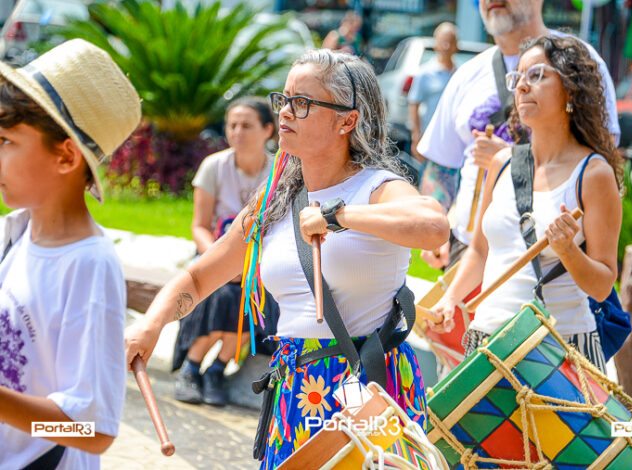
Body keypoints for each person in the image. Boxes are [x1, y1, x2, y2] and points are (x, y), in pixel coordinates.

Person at [124, 49, 449, 468]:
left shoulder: (378, 187)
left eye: (303, 103)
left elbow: (432, 225)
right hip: (296, 388)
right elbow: (200, 277)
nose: (285, 112)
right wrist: (150, 325)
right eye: (284, 99)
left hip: (369, 386)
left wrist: (337, 216)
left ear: (347, 120)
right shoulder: (274, 200)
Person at [429, 35, 623, 374]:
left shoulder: (593, 174)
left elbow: (602, 284)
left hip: (560, 349)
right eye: (517, 77)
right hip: (488, 342)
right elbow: (479, 252)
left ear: (570, 90)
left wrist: (568, 250)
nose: (521, 86)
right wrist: (450, 299)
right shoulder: (502, 163)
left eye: (537, 75)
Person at [0, 40, 141, 468]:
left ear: (65, 156)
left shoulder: (88, 266)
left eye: (6, 141)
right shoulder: (15, 232)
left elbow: (94, 433)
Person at [418, 0, 620, 271]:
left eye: (536, 76)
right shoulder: (468, 74)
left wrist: (509, 160)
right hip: (469, 252)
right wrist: (436, 225)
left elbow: (600, 156)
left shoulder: (580, 62)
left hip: (548, 257)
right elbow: (442, 164)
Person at [173, 97, 278, 407]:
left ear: (268, 130)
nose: (237, 132)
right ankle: (193, 369)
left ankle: (215, 370)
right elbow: (199, 227)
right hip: (214, 253)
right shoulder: (214, 166)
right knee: (222, 294)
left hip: (259, 261)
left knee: (254, 298)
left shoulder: (280, 171)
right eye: (232, 125)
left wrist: (248, 267)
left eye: (246, 125)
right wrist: (221, 263)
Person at [408, 22, 461, 211]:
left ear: (456, 45)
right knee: (429, 190)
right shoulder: (425, 73)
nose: (446, 46)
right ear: (436, 44)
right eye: (443, 41)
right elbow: (413, 103)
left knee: (454, 191)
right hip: (431, 140)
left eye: (450, 41)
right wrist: (416, 135)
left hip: (455, 141)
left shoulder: (460, 74)